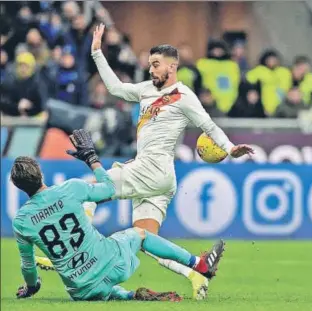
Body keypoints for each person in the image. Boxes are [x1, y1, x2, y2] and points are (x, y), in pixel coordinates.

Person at [36, 23, 253, 300]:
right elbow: (115, 87)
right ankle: (197, 271)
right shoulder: (147, 90)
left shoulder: (185, 96)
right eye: (150, 64)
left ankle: (73, 257)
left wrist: (230, 148)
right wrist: (96, 53)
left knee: (88, 190)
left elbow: (209, 126)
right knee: (146, 240)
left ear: (171, 67)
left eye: (156, 65)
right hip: (162, 179)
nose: (151, 70)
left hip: (151, 170)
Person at [12, 130, 223, 301]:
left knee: (98, 289)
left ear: (19, 187)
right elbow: (110, 188)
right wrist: (91, 159)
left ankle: (129, 296)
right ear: (40, 173)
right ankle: (198, 264)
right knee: (140, 234)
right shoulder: (69, 189)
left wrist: (32, 288)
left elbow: (28, 266)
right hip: (112, 264)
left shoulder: (21, 222)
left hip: (80, 290)